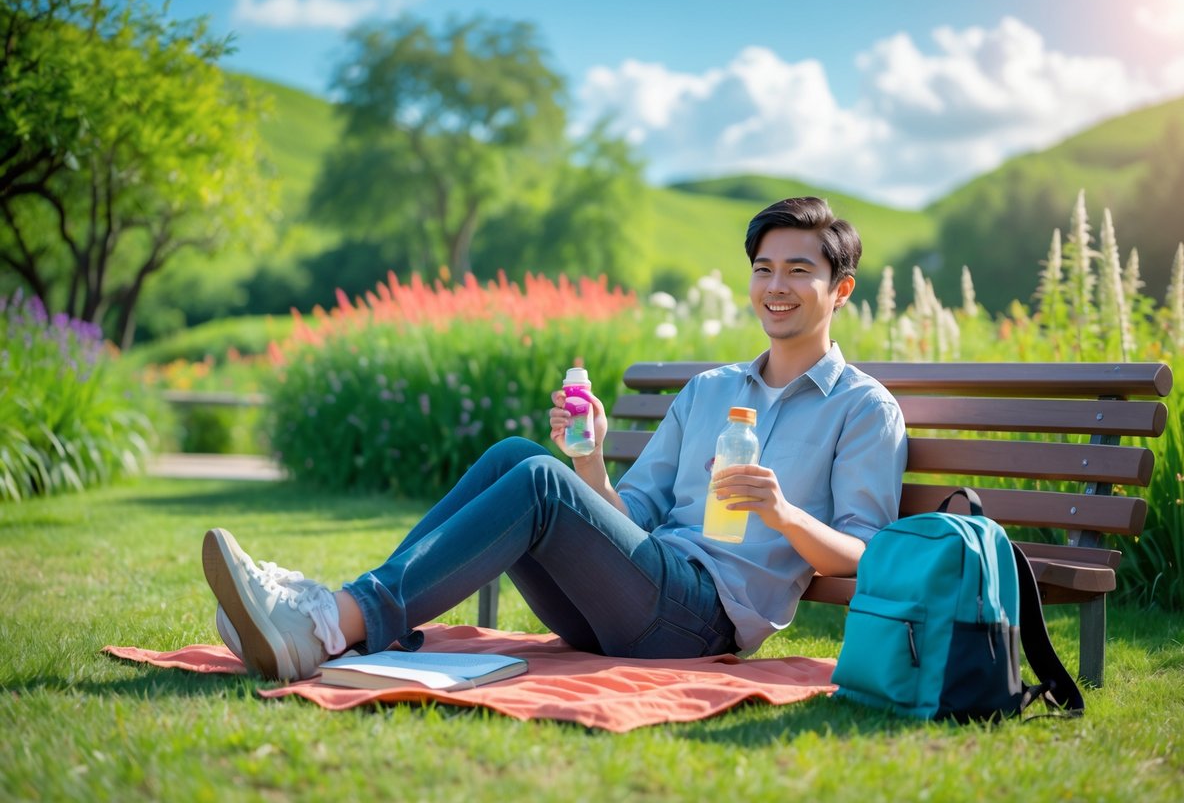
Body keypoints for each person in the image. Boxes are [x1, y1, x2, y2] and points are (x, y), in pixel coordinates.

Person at [202, 196, 908, 681]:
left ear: (839, 290)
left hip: (699, 623)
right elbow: (627, 519)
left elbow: (869, 554)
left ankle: (331, 623)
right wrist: (590, 460)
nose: (775, 287)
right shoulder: (709, 391)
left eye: (798, 271)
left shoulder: (861, 409)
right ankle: (344, 617)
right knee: (523, 458)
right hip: (630, 593)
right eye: (763, 269)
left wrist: (781, 514)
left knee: (537, 484)